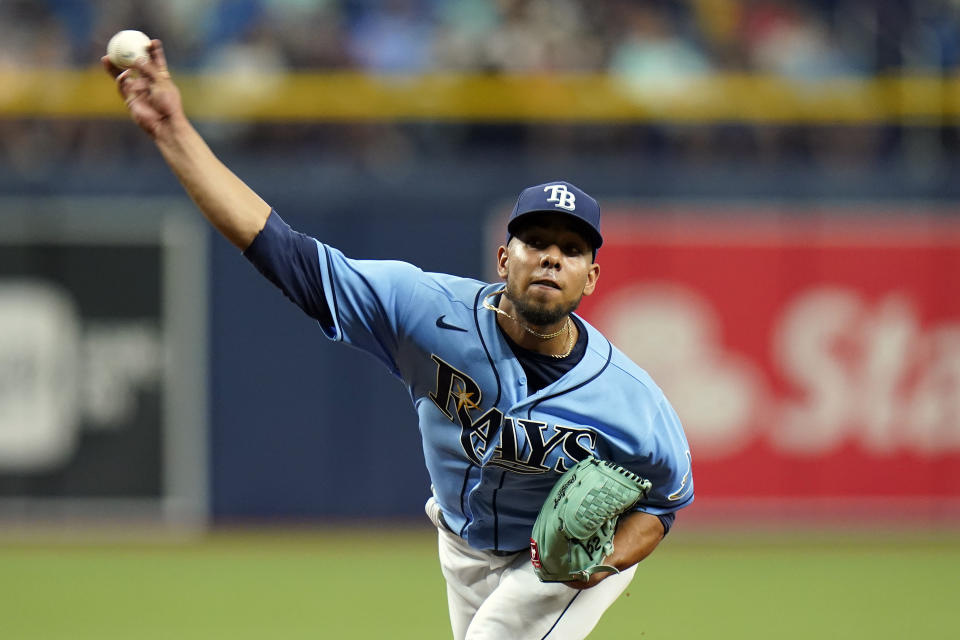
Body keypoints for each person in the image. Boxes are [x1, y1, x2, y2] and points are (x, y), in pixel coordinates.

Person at [103, 40, 694, 640]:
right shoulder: (425, 311)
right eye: (535, 240)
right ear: (502, 257)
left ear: (591, 277)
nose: (550, 257)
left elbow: (667, 500)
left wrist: (605, 561)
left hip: (556, 569)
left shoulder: (629, 400)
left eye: (571, 250)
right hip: (461, 545)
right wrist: (174, 130)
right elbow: (282, 251)